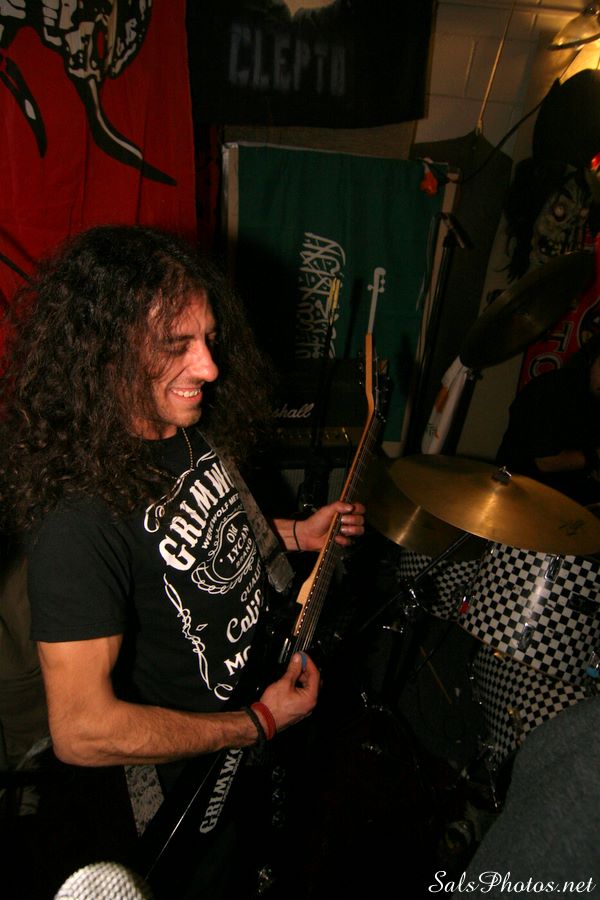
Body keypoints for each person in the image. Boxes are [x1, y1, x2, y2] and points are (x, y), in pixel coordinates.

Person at [0, 225, 365, 897]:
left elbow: (204, 534)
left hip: (259, 700)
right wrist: (255, 724)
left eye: (209, 339)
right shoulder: (76, 521)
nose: (210, 368)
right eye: (178, 346)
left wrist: (295, 533)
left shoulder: (180, 425)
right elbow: (81, 730)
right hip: (194, 772)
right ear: (107, 353)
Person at [496, 333, 600, 506]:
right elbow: (545, 461)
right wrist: (595, 455)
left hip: (573, 505)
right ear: (590, 359)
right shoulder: (551, 390)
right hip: (520, 498)